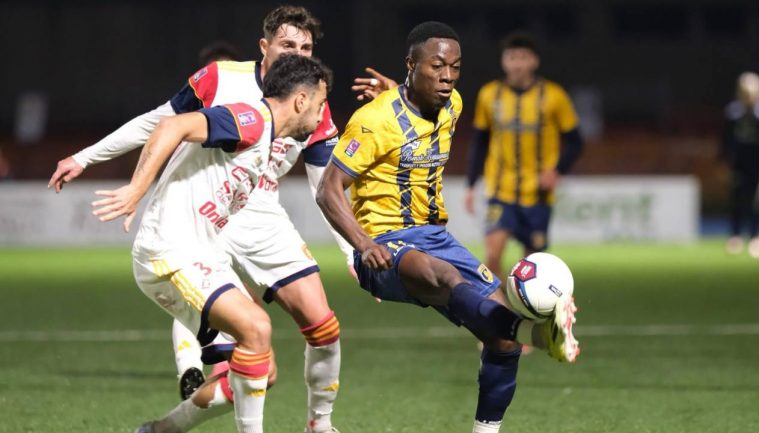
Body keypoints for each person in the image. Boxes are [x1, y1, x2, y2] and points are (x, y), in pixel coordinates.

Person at [48, 6, 392, 433]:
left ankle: (179, 428)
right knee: (252, 333)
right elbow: (162, 124)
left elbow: (328, 189)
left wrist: (354, 252)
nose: (298, 56)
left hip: (248, 212)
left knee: (293, 345)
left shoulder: (308, 108)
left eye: (306, 48)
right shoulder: (231, 92)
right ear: (264, 47)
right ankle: (191, 361)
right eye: (288, 46)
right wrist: (104, 167)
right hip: (194, 231)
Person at [315, 21, 579, 433]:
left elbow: (414, 112)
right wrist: (362, 243)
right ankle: (537, 333)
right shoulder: (373, 121)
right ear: (411, 65)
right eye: (437, 66)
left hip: (436, 237)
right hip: (385, 245)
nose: (448, 76)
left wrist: (401, 89)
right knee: (441, 275)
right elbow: (328, 189)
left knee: (502, 341)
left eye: (455, 67)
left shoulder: (452, 104)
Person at [91, 54, 331, 433]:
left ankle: (160, 430)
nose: (320, 118)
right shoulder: (252, 120)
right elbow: (174, 125)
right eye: (318, 106)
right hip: (168, 250)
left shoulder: (268, 137)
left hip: (202, 252)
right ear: (300, 101)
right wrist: (137, 189)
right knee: (256, 328)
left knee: (260, 370)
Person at [464, 32, 583, 278]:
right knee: (493, 255)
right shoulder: (489, 95)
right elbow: (479, 142)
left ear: (534, 61)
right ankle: (502, 312)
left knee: (534, 265)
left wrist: (557, 170)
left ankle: (530, 309)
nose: (517, 63)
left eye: (523, 57)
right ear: (503, 61)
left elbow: (576, 142)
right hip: (500, 191)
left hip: (537, 193)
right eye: (511, 57)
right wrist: (471, 185)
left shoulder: (553, 96)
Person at [721, 71, 759, 258]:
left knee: (758, 202)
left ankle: (756, 237)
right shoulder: (733, 114)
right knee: (737, 199)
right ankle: (735, 236)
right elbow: (725, 140)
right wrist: (725, 162)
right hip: (739, 164)